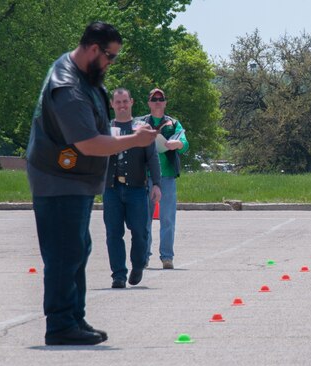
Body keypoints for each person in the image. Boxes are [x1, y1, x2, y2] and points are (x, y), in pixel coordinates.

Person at [26, 22, 158, 345]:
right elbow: (88, 143)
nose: (111, 63)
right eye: (110, 57)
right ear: (94, 50)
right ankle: (59, 325)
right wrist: (134, 140)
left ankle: (74, 317)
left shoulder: (82, 76)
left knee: (77, 248)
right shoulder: (68, 86)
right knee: (63, 252)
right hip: (58, 181)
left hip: (74, 181)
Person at [104, 88, 162, 289]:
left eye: (125, 101)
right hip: (111, 189)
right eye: (118, 102)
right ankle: (118, 275)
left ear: (132, 102)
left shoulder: (142, 128)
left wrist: (156, 184)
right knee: (113, 233)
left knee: (140, 231)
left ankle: (138, 264)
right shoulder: (105, 128)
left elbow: (152, 158)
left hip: (137, 188)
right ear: (112, 104)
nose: (121, 105)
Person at [139, 88, 189, 270]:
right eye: (154, 99)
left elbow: (184, 144)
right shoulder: (141, 123)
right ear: (149, 103)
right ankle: (143, 257)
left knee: (167, 218)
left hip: (167, 177)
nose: (158, 102)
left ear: (165, 102)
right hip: (144, 177)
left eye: (161, 99)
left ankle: (167, 257)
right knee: (143, 219)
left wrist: (178, 144)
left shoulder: (174, 124)